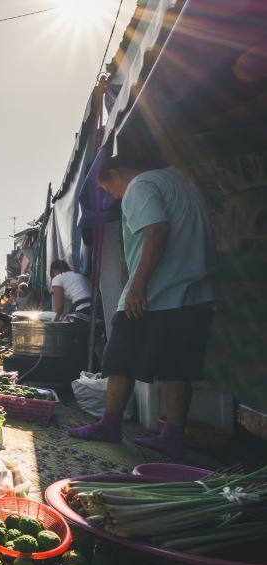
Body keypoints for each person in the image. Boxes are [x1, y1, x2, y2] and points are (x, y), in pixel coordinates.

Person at [67, 154, 216, 458]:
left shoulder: (140, 185)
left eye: (109, 188)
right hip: (194, 292)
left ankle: (109, 425)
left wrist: (137, 283)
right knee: (178, 368)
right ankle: (172, 435)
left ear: (114, 172)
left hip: (156, 292)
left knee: (119, 358)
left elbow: (157, 230)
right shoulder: (183, 184)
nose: (113, 195)